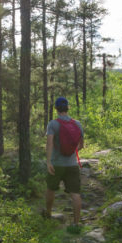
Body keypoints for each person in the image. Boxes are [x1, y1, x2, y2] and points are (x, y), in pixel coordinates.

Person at [45, 97, 84, 231]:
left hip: (56, 164)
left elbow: (49, 143)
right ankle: (76, 223)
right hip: (72, 164)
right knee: (75, 193)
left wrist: (49, 161)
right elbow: (81, 145)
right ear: (68, 108)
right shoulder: (77, 124)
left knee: (51, 189)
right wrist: (71, 152)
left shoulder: (53, 124)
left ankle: (48, 215)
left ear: (56, 108)